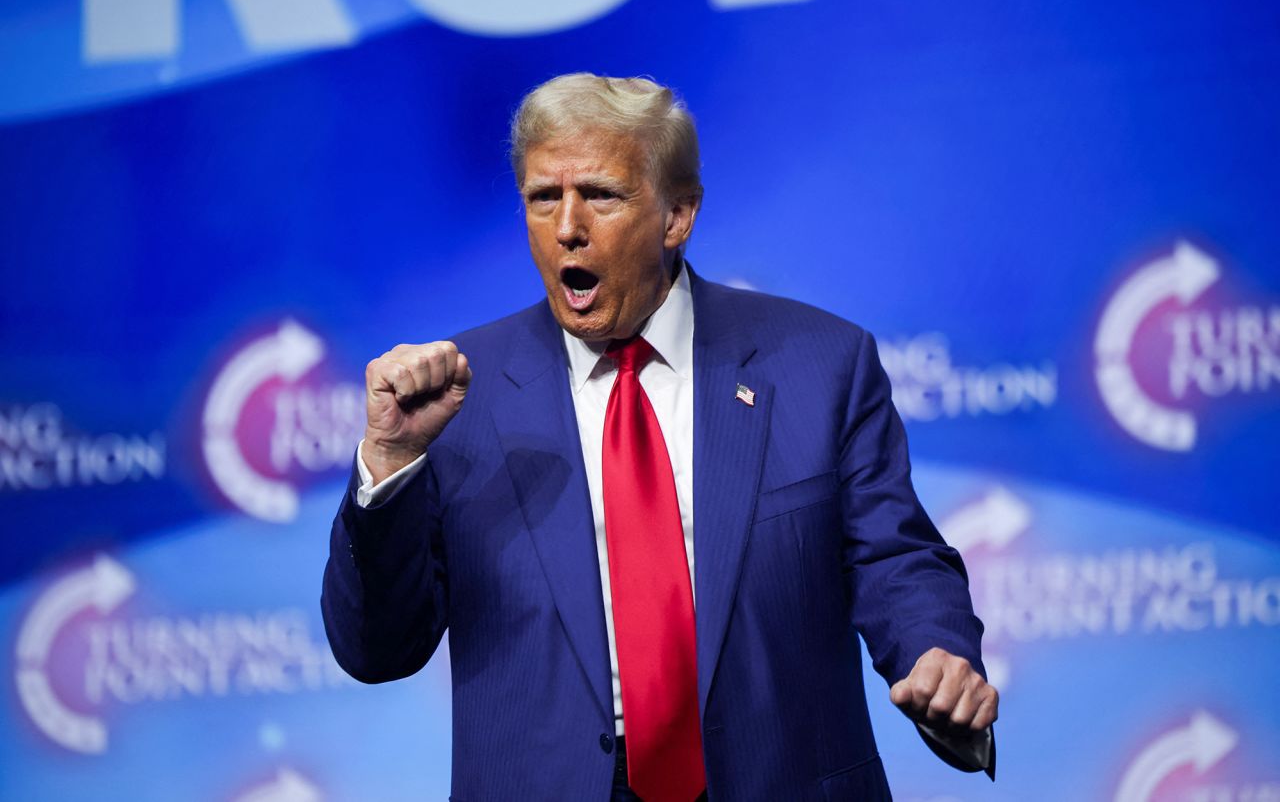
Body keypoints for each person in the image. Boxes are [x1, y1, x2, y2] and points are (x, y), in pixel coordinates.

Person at [321, 73, 998, 801]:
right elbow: (376, 649)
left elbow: (895, 557)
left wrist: (938, 653)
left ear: (677, 214)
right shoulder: (458, 396)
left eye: (601, 195)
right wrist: (391, 459)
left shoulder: (819, 364)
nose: (567, 227)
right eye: (543, 197)